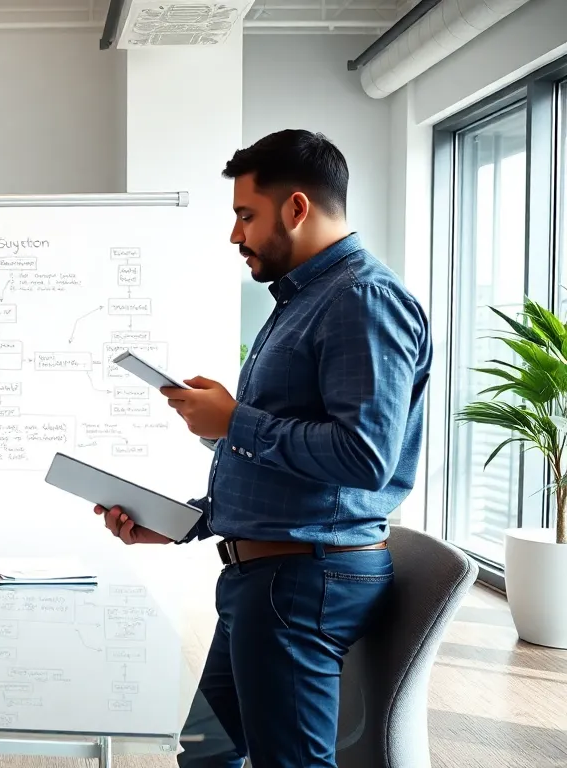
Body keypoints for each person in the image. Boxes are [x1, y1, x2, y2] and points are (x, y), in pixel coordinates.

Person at [97, 130, 432, 767]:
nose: (235, 235)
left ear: (296, 208)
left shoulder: (361, 299)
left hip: (300, 583)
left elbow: (364, 457)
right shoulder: (306, 299)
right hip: (267, 578)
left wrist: (235, 421)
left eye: (246, 215)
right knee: (205, 754)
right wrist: (184, 523)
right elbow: (284, 470)